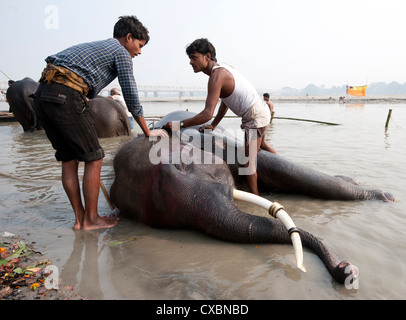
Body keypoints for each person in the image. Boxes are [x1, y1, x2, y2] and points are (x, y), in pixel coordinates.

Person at [34, 16, 168, 231]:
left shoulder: (95, 47)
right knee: (94, 157)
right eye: (139, 46)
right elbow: (131, 93)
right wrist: (147, 131)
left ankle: (80, 220)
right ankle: (92, 219)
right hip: (65, 94)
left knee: (69, 160)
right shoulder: (121, 52)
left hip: (42, 95)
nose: (139, 52)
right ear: (129, 37)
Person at [163, 38, 275, 195]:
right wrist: (214, 125)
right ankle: (282, 168)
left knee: (247, 163)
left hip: (255, 118)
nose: (190, 62)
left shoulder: (216, 77)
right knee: (262, 146)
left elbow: (206, 113)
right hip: (260, 113)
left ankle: (256, 199)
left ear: (207, 56)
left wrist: (179, 125)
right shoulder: (224, 68)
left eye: (194, 57)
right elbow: (226, 102)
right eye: (190, 58)